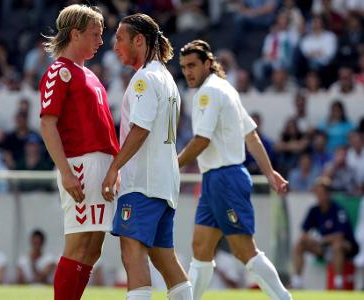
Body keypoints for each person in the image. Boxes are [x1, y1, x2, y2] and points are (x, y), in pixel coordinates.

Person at [178, 40, 292, 300]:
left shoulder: (208, 93)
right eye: (184, 67)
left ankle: (284, 298)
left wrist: (172, 166)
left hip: (224, 178)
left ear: (208, 63)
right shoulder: (225, 89)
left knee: (244, 251)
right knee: (201, 248)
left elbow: (201, 140)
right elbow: (251, 137)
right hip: (215, 179)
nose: (188, 72)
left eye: (193, 65)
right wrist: (270, 172)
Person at [101, 13, 192, 300]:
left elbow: (140, 129)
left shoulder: (144, 79)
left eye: (120, 39)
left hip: (142, 183)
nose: (115, 47)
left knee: (132, 252)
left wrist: (114, 167)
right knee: (165, 259)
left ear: (139, 40)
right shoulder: (167, 78)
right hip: (164, 183)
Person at [39, 4, 119, 300]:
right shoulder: (58, 72)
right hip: (81, 166)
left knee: (94, 247)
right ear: (75, 34)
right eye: (95, 35)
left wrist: (114, 167)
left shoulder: (89, 75)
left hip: (102, 165)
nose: (100, 41)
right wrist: (67, 172)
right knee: (78, 245)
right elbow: (48, 125)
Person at [292, 177, 359, 290]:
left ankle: (338, 284)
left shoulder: (338, 209)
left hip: (346, 248)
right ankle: (297, 283)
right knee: (300, 244)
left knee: (337, 244)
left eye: (322, 193)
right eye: (317, 193)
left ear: (328, 194)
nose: (319, 196)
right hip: (324, 248)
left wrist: (319, 239)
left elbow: (339, 235)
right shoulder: (314, 210)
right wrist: (311, 239)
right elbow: (303, 232)